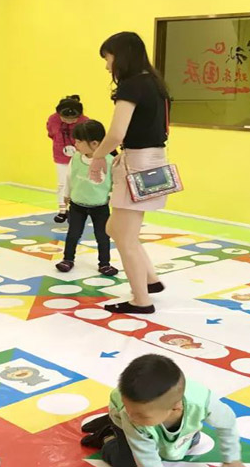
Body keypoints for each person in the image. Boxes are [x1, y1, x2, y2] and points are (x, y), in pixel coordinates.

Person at [91, 32, 168, 314]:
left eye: (108, 58)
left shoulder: (132, 86)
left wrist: (97, 157)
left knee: (124, 237)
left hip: (137, 163)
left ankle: (141, 300)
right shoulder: (154, 83)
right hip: (155, 160)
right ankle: (150, 280)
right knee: (116, 228)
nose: (107, 66)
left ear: (121, 56)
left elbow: (116, 134)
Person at [79, 354, 244, 467]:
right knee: (127, 463)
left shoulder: (203, 403)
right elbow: (146, 458)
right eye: (129, 409)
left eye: (140, 414)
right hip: (121, 415)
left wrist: (232, 459)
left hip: (155, 415)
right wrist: (130, 415)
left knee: (184, 446)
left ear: (176, 407)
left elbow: (227, 424)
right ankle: (108, 437)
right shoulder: (130, 417)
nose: (131, 417)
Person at [55, 120, 119, 277]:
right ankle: (67, 259)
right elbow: (68, 178)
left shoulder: (110, 161)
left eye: (78, 141)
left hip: (100, 206)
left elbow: (115, 184)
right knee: (73, 234)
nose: (75, 144)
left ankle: (104, 263)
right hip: (77, 205)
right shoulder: (76, 158)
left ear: (95, 143)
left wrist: (113, 199)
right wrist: (66, 196)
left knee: (102, 236)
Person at [47, 95, 89, 223]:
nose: (69, 121)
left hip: (80, 157)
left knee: (78, 183)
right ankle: (62, 210)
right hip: (61, 156)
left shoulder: (85, 121)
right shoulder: (53, 119)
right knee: (62, 183)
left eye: (73, 119)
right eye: (65, 118)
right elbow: (51, 133)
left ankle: (75, 210)